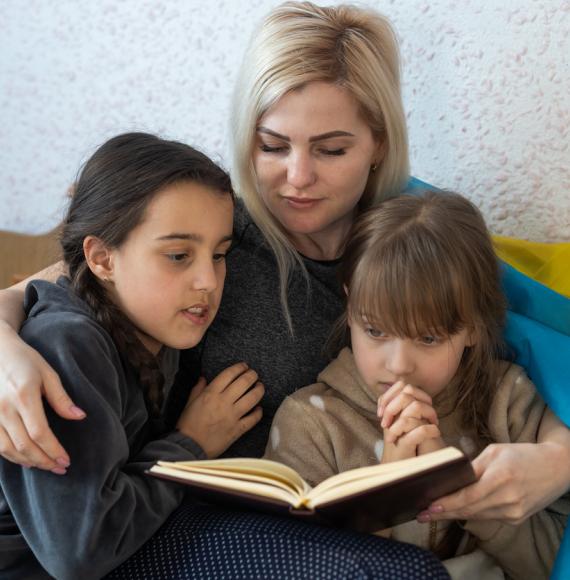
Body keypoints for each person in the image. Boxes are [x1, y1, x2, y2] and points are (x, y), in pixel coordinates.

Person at [0, 0, 568, 574]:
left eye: (331, 149)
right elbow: (66, 285)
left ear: (378, 146)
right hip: (173, 517)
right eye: (272, 146)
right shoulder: (217, 230)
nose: (297, 178)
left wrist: (560, 460)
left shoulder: (408, 248)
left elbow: (529, 357)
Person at [0, 132, 269, 578]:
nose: (208, 280)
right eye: (179, 255)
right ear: (103, 259)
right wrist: (191, 445)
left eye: (220, 255)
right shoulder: (68, 344)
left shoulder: (154, 326)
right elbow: (80, 551)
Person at [265, 191, 570, 579]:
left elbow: (553, 564)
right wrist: (387, 492)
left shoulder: (508, 399)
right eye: (374, 330)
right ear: (349, 303)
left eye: (428, 339)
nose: (397, 366)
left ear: (474, 328)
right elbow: (292, 566)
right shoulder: (311, 424)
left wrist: (475, 504)